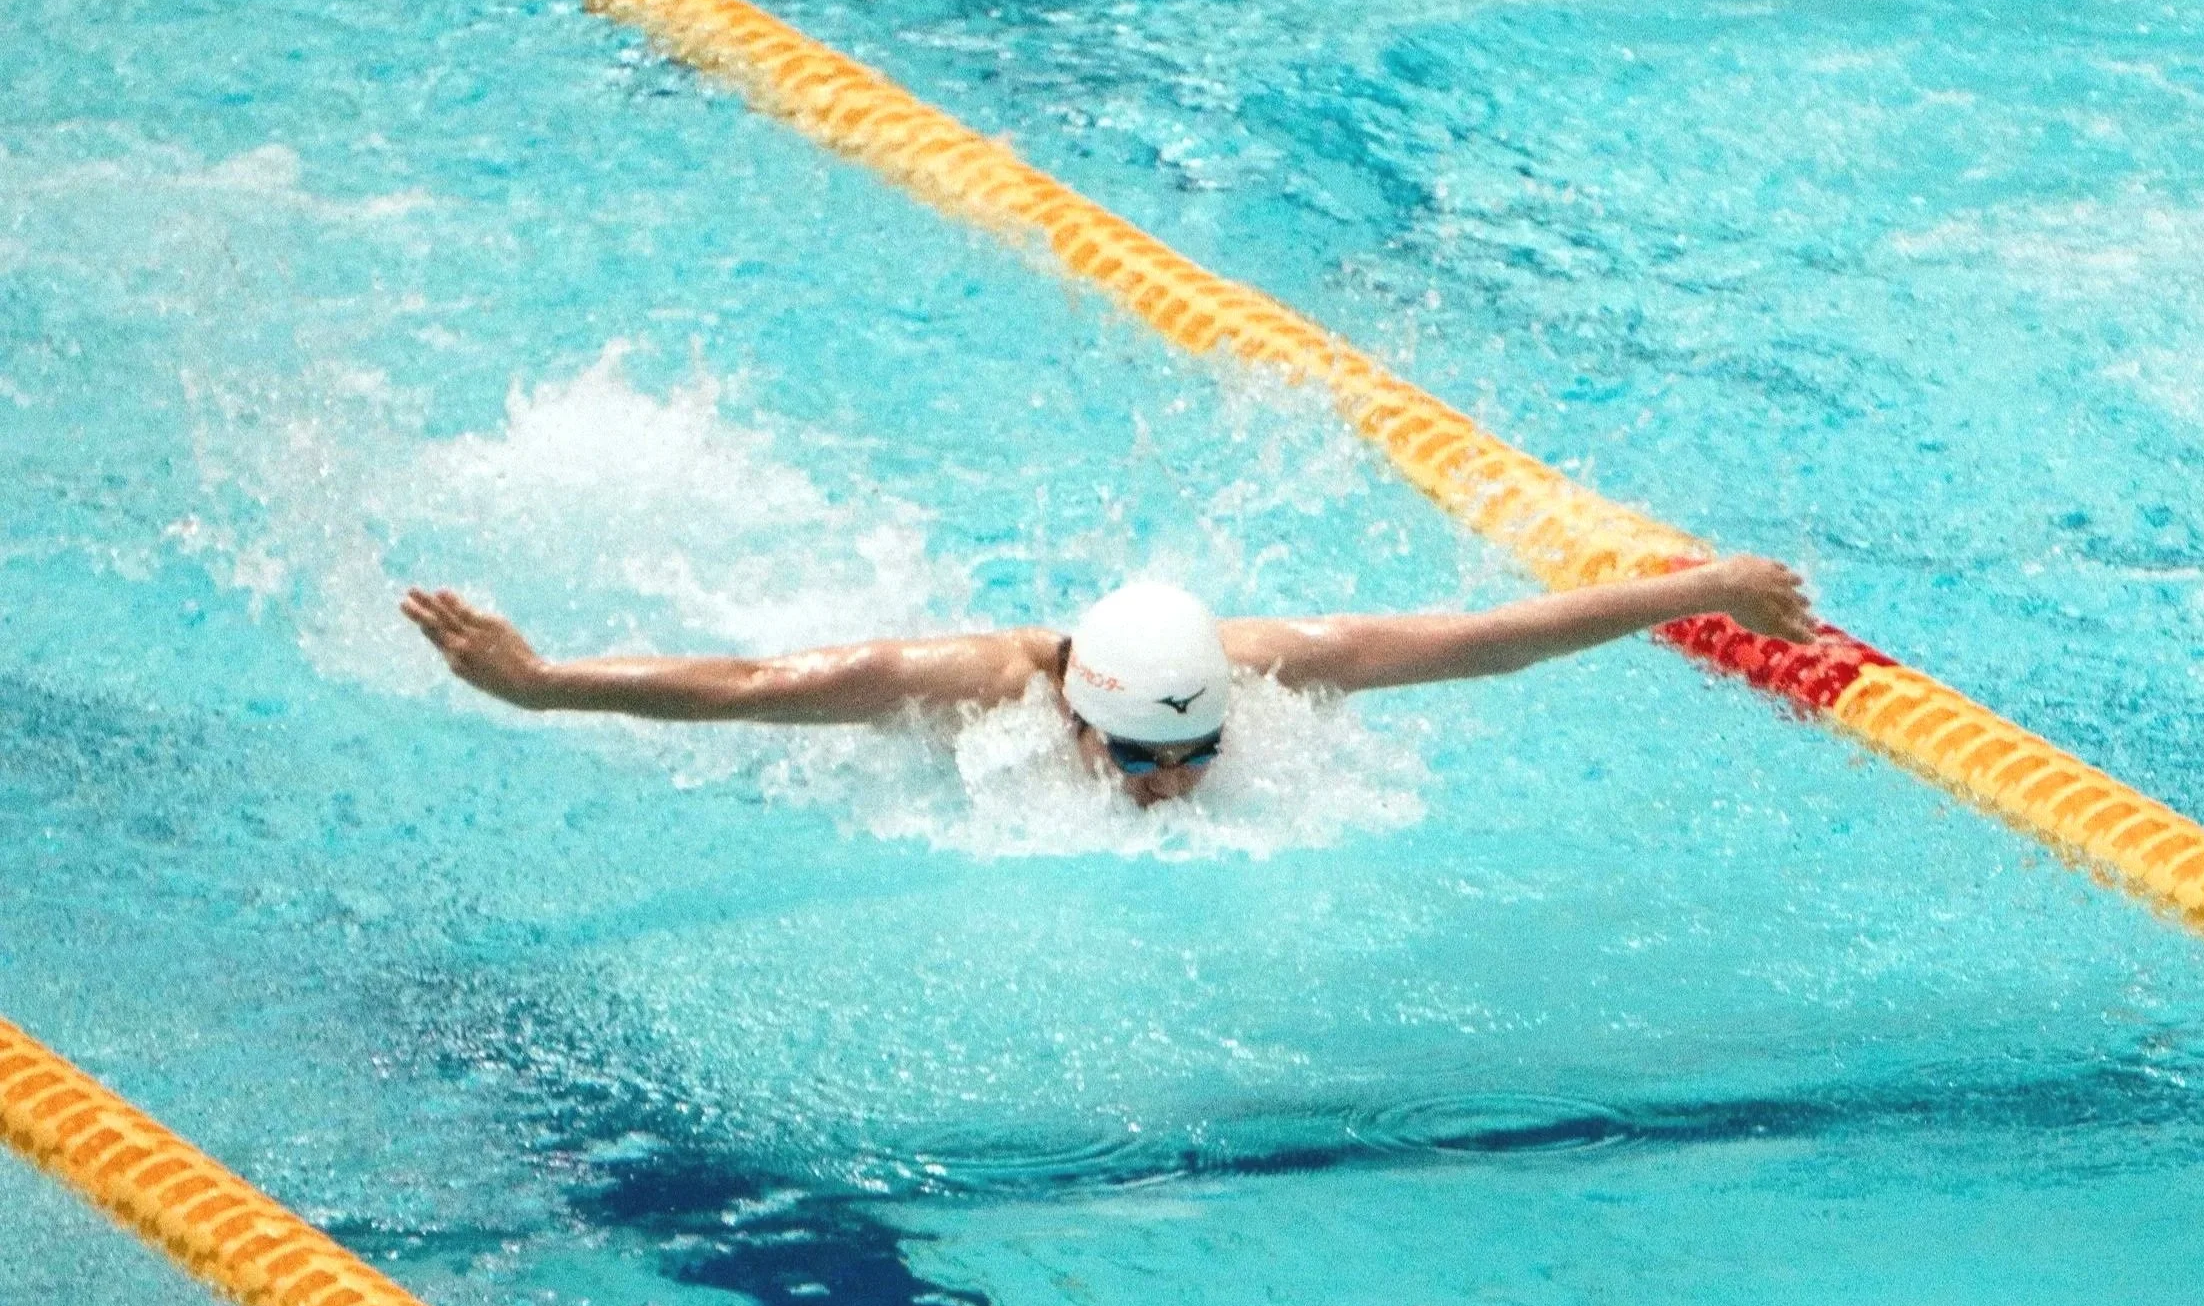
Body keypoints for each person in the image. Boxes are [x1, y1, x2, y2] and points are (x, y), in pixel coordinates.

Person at [400, 556, 1816, 807]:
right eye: (1141, 762)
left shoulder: (1264, 670)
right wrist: (543, 686)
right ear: (1075, 715)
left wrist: (1702, 590)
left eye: (1193, 754)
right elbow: (748, 684)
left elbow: (1486, 639)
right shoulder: (954, 685)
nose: (1175, 786)